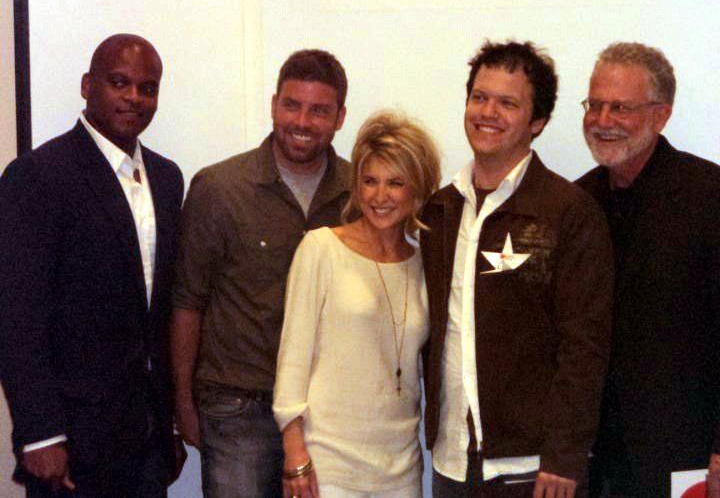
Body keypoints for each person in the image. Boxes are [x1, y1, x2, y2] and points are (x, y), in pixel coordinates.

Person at [420, 40, 614, 498]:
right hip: (452, 462)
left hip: (535, 469)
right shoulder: (439, 210)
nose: (488, 113)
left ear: (537, 121)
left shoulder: (569, 213)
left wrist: (565, 457)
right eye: (480, 97)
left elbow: (585, 347)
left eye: (508, 103)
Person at [0, 34, 186, 497]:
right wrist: (41, 433)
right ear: (88, 85)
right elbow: (18, 317)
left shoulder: (167, 179)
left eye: (147, 88)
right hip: (71, 445)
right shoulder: (39, 176)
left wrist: (170, 424)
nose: (134, 97)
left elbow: (158, 313)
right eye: (119, 82)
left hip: (148, 441)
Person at [171, 49, 351, 497]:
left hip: (328, 413)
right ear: (274, 105)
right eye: (292, 105)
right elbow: (187, 302)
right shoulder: (219, 189)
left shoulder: (359, 193)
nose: (302, 121)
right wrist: (182, 403)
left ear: (340, 117)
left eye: (319, 110)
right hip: (238, 409)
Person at [576, 42, 720, 497]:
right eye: (594, 105)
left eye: (620, 107)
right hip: (594, 462)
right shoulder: (577, 203)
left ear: (661, 116)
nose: (602, 120)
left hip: (686, 457)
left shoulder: (710, 197)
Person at [273, 109, 441, 498]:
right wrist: (295, 453)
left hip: (401, 467)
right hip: (328, 466)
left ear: (417, 188)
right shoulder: (321, 248)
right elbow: (293, 359)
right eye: (369, 181)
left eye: (395, 183)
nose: (379, 196)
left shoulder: (423, 262)